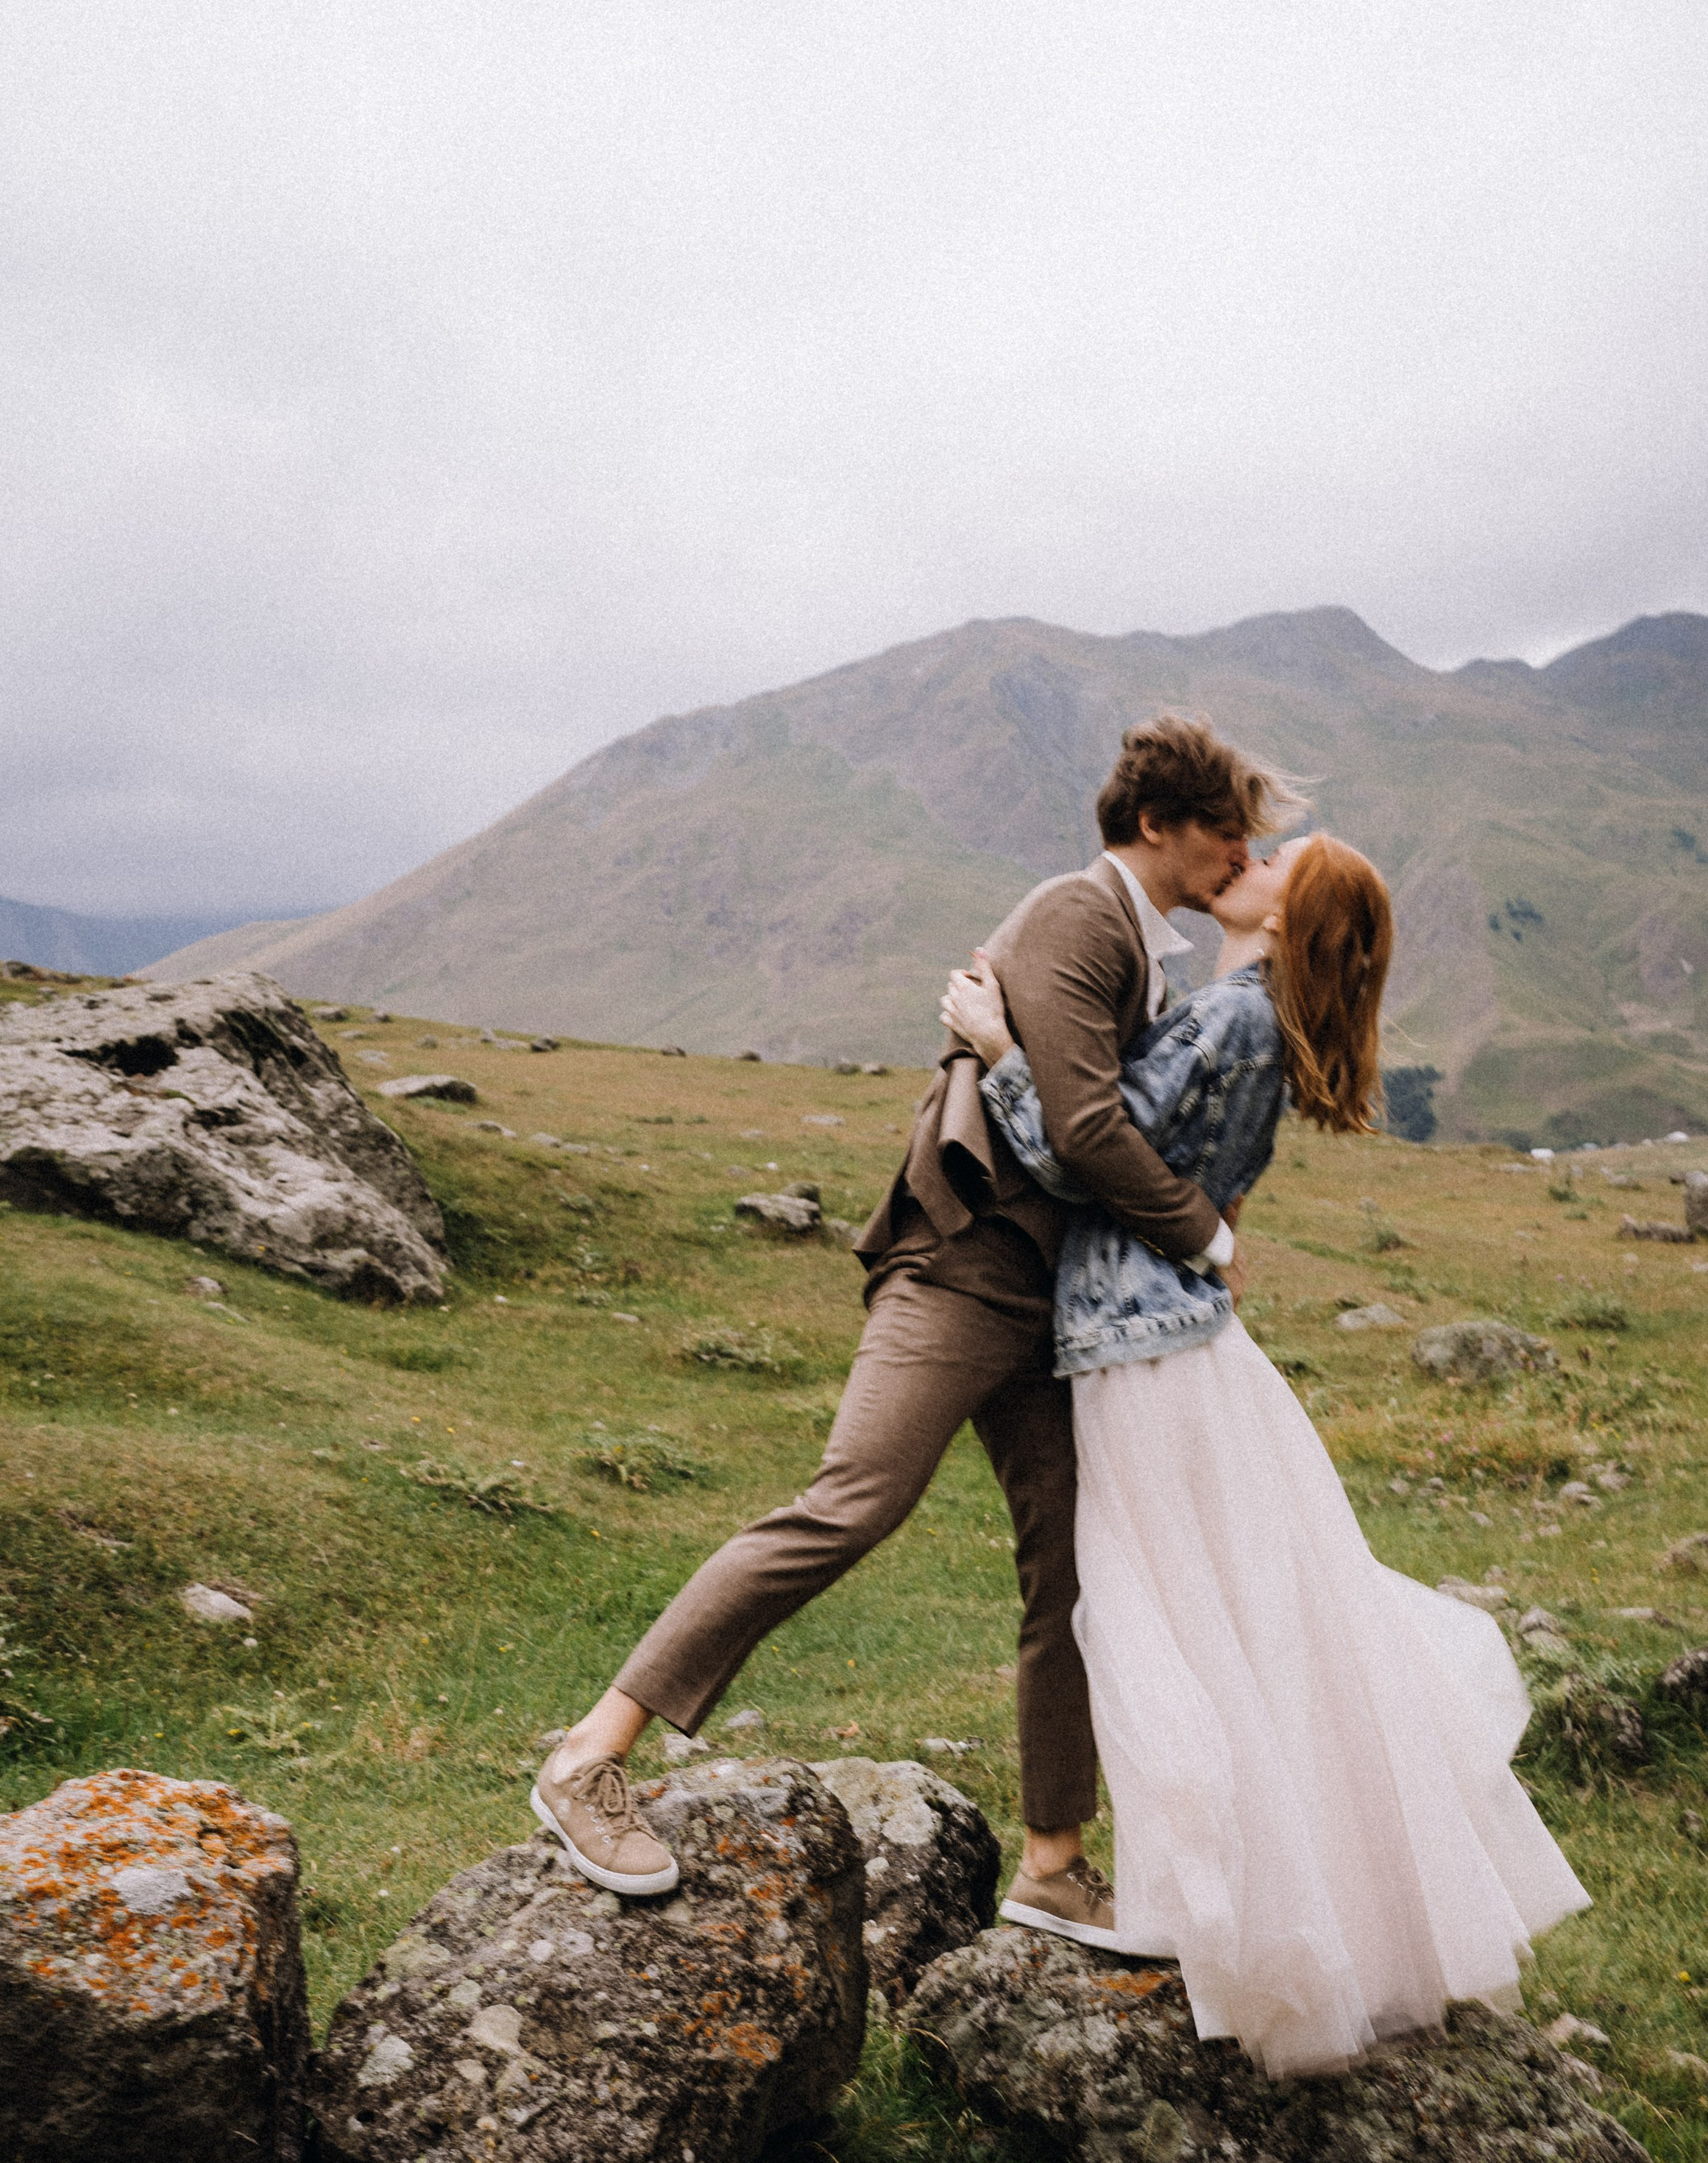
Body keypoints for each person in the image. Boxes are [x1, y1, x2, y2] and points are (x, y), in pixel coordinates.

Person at [531, 712, 1294, 1930]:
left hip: (1052, 1307)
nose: (1241, 855)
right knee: (852, 1503)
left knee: (1074, 1576)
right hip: (960, 1266)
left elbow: (1094, 1119)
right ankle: (588, 1755)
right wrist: (1208, 1238)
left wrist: (1015, 1062)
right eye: (1227, 831)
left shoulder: (1150, 957)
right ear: (1160, 825)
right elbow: (1087, 1132)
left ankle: (1053, 1864)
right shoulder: (1075, 915)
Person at [940, 832, 1589, 2077]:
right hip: (1169, 1345)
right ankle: (1278, 1912)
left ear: (1294, 920)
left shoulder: (1237, 1018)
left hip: (1146, 1357)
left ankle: (1247, 1925)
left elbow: (1087, 1155)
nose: (1248, 856)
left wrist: (998, 1047)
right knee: (1238, 1627)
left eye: (1278, 861)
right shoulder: (1231, 1011)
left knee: (1160, 1628)